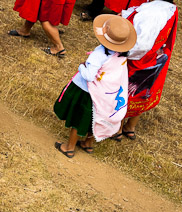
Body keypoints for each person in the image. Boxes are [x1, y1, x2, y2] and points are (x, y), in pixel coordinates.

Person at [114, 0, 182, 140]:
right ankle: (130, 126)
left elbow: (142, 43)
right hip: (155, 57)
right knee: (143, 89)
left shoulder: (150, 14)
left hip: (140, 58)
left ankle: (116, 127)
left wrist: (122, 53)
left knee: (126, 89)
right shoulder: (169, 8)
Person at [53, 14, 137, 157]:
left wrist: (81, 67)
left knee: (78, 119)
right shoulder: (122, 55)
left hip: (87, 92)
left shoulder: (99, 54)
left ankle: (69, 147)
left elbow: (89, 76)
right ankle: (88, 143)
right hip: (104, 94)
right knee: (93, 118)